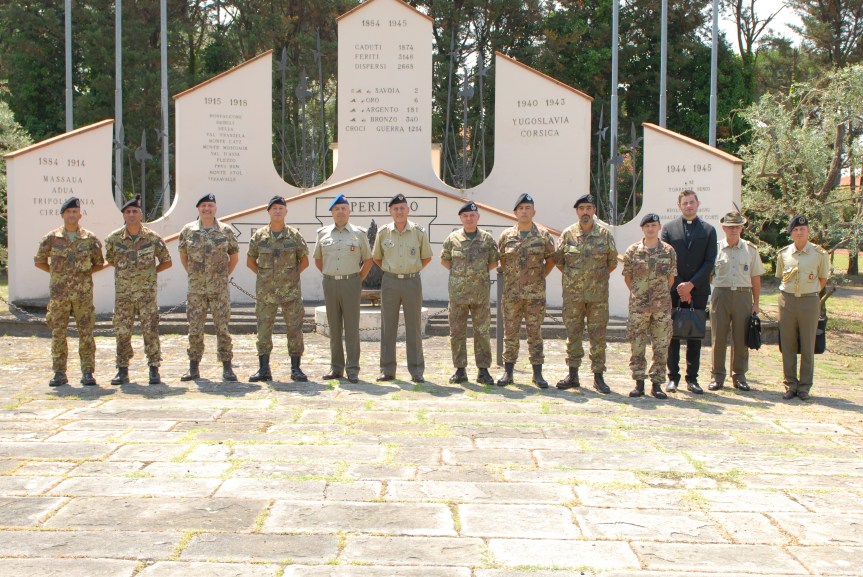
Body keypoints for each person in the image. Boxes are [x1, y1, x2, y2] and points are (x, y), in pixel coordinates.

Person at [34, 197, 105, 387]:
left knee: (86, 334)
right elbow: (40, 260)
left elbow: (99, 263)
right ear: (63, 215)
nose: (72, 215)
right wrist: (57, 274)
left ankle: (88, 372)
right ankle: (59, 373)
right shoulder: (51, 238)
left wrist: (83, 276)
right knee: (58, 333)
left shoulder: (89, 239)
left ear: (80, 215)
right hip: (60, 294)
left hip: (83, 295)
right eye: (68, 212)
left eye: (75, 212)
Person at [104, 195, 172, 385]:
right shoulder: (113, 239)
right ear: (124, 215)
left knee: (150, 330)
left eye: (135, 211)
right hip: (124, 295)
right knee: (122, 331)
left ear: (141, 214)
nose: (131, 214)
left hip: (146, 295)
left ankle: (154, 368)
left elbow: (166, 261)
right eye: (128, 212)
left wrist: (150, 274)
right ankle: (122, 370)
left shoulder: (152, 238)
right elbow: (111, 260)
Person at [554, 194, 618, 394]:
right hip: (573, 297)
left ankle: (598, 376)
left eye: (589, 208)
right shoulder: (568, 235)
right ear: (577, 211)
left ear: (594, 211)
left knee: (598, 337)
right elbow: (559, 262)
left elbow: (612, 262)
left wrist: (594, 280)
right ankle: (573, 375)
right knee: (573, 335)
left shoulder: (605, 235)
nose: (585, 212)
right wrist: (577, 281)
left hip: (598, 297)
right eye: (581, 208)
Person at [246, 195, 310, 382]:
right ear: (268, 211)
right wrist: (266, 277)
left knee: (294, 329)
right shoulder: (259, 236)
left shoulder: (294, 236)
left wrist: (290, 277)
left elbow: (304, 261)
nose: (277, 211)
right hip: (266, 294)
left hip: (291, 292)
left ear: (286, 211)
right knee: (264, 330)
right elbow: (250, 261)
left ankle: (296, 368)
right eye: (274, 208)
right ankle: (264, 369)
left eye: (281, 208)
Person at [178, 193, 239, 382]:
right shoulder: (188, 230)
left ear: (215, 208)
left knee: (223, 327)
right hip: (196, 289)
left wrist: (221, 276)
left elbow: (234, 256)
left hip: (219, 288)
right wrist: (195, 275)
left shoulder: (225, 231)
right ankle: (193, 367)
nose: (207, 209)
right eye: (203, 206)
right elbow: (183, 255)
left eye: (210, 205)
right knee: (195, 328)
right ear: (198, 209)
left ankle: (227, 367)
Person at [496, 193, 556, 388]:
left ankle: (537, 374)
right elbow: (503, 262)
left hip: (535, 295)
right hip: (512, 294)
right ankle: (508, 372)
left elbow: (551, 260)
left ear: (534, 212)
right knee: (510, 333)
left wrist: (537, 278)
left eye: (527, 208)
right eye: (520, 208)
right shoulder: (506, 236)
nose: (524, 211)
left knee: (535, 333)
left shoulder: (543, 235)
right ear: (515, 212)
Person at [372, 193, 433, 383]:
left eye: (402, 208)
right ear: (390, 211)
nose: (399, 212)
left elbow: (426, 257)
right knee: (387, 326)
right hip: (390, 282)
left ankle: (416, 370)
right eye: (395, 209)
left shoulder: (418, 231)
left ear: (408, 210)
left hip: (412, 282)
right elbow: (377, 257)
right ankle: (387, 370)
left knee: (413, 326)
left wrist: (410, 271)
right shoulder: (383, 232)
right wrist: (393, 272)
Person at [661, 189, 717, 394]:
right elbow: (666, 260)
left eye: (692, 202)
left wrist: (691, 285)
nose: (688, 206)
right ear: (679, 206)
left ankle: (692, 379)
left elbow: (709, 261)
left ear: (698, 203)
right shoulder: (668, 229)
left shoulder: (709, 230)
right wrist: (681, 286)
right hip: (674, 289)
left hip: (698, 290)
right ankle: (672, 377)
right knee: (672, 335)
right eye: (685, 203)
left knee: (694, 335)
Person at [314, 194, 373, 383]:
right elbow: (318, 259)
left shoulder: (359, 233)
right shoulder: (323, 234)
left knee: (352, 327)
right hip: (330, 283)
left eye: (343, 208)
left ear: (349, 212)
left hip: (351, 283)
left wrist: (358, 279)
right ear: (332, 212)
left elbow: (369, 259)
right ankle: (336, 368)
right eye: (336, 209)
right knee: (334, 327)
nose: (340, 211)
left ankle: (353, 368)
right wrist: (329, 273)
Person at [440, 201, 500, 385]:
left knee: (482, 332)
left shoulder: (487, 239)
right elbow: (445, 261)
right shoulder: (453, 239)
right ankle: (460, 370)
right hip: (458, 295)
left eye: (472, 215)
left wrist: (476, 276)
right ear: (461, 218)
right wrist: (462, 278)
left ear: (478, 217)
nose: (469, 218)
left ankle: (483, 371)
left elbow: (493, 262)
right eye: (465, 215)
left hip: (480, 294)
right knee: (457, 332)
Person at [707, 209, 764, 392]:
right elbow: (710, 275)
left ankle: (739, 375)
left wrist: (756, 303)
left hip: (743, 295)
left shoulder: (750, 250)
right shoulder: (715, 248)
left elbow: (755, 278)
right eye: (730, 227)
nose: (733, 230)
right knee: (719, 337)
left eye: (737, 226)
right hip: (721, 294)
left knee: (741, 337)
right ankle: (717, 375)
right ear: (723, 228)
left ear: (742, 228)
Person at [622, 213, 677, 399]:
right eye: (647, 226)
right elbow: (628, 277)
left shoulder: (668, 251)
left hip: (661, 307)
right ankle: (638, 383)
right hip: (639, 306)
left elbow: (671, 278)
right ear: (642, 229)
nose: (651, 229)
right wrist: (640, 294)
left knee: (661, 345)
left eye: (654, 225)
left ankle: (657, 384)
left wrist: (658, 295)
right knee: (637, 344)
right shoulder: (633, 250)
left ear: (659, 227)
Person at [776, 215, 830, 401]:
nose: (799, 232)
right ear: (791, 233)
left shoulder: (819, 254)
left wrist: (811, 292)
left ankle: (805, 386)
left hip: (809, 301)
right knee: (788, 344)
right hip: (787, 301)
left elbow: (823, 279)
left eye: (803, 229)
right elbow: (780, 276)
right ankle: (790, 384)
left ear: (808, 232)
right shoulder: (783, 253)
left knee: (808, 344)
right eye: (796, 230)